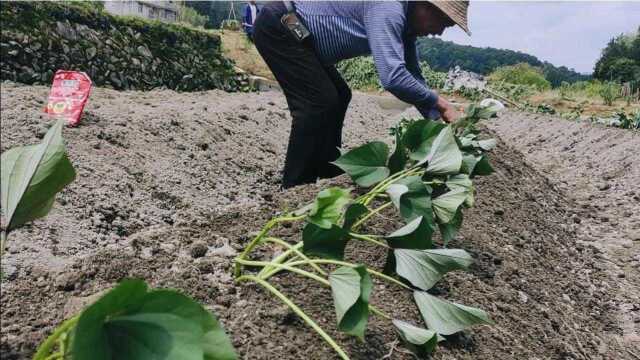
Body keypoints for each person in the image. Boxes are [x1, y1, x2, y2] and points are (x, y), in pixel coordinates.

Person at [253, 1, 470, 188]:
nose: (439, 32)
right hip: (281, 24)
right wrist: (441, 103)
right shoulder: (388, 7)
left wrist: (437, 121)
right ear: (424, 5)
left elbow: (413, 75)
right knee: (318, 103)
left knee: (340, 95)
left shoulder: (406, 27)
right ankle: (295, 186)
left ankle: (329, 172)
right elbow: (393, 77)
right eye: (442, 22)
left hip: (299, 33)